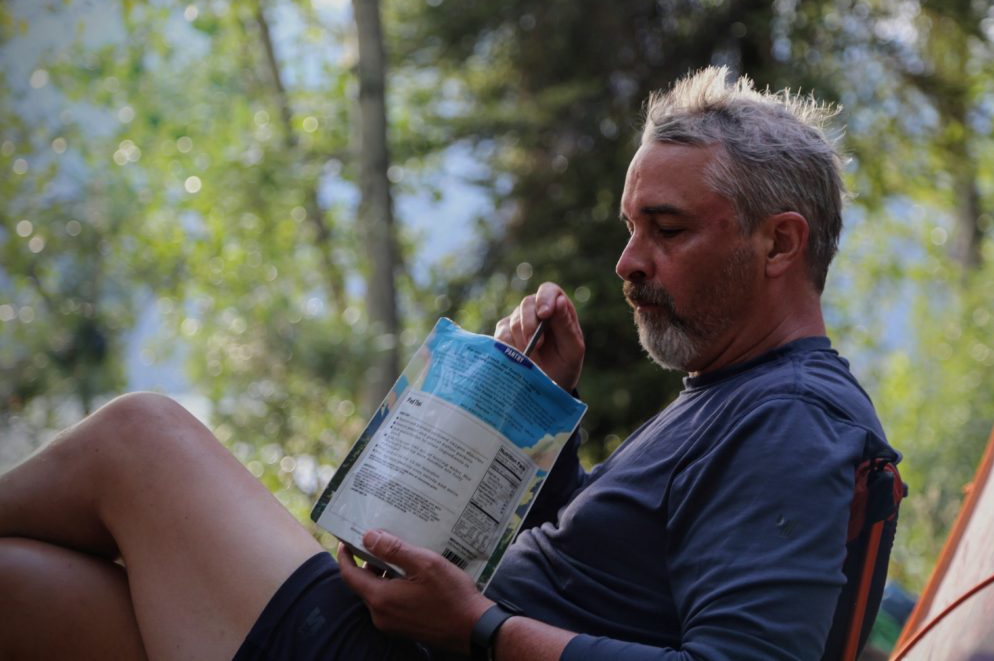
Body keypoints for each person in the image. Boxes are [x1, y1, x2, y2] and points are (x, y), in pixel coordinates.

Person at [0, 66, 898, 660]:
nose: (628, 262)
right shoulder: (732, 393)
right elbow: (605, 580)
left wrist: (481, 627)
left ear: (780, 243)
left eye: (666, 230)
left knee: (142, 435)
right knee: (23, 591)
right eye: (631, 229)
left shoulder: (794, 418)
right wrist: (539, 416)